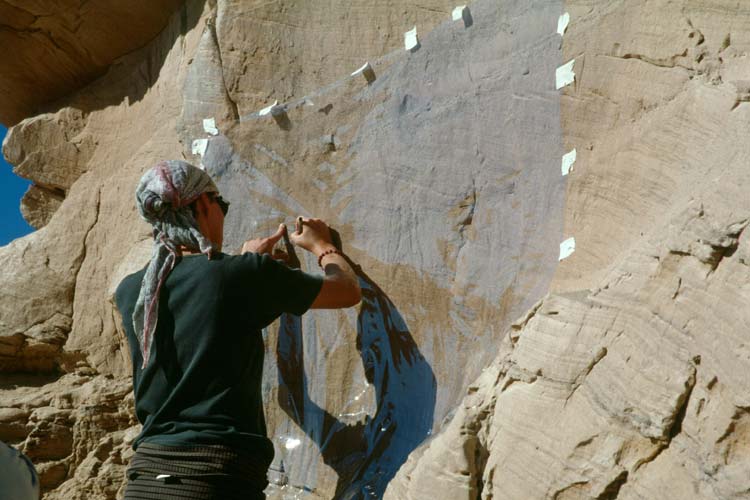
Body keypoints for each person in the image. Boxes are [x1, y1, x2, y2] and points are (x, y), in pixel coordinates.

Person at [114, 160, 361, 500]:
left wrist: (244, 265)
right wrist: (322, 247)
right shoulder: (240, 277)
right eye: (221, 203)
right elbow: (346, 291)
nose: (223, 214)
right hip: (214, 479)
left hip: (145, 480)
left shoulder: (131, 292)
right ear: (202, 203)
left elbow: (205, 314)